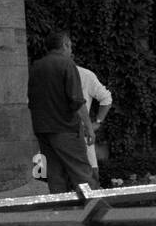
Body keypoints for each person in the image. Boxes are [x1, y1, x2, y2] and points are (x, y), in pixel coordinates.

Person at [27, 30, 94, 193]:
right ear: (65, 45)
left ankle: (61, 211)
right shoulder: (66, 64)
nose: (71, 51)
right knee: (81, 172)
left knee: (55, 175)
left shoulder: (36, 66)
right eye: (70, 47)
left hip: (43, 129)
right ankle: (93, 210)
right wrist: (89, 127)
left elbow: (32, 98)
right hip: (65, 128)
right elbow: (77, 100)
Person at [76, 61, 113, 186]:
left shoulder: (84, 75)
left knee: (90, 174)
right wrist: (95, 124)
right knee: (90, 174)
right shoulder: (84, 74)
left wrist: (96, 123)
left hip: (77, 131)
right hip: (78, 131)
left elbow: (106, 98)